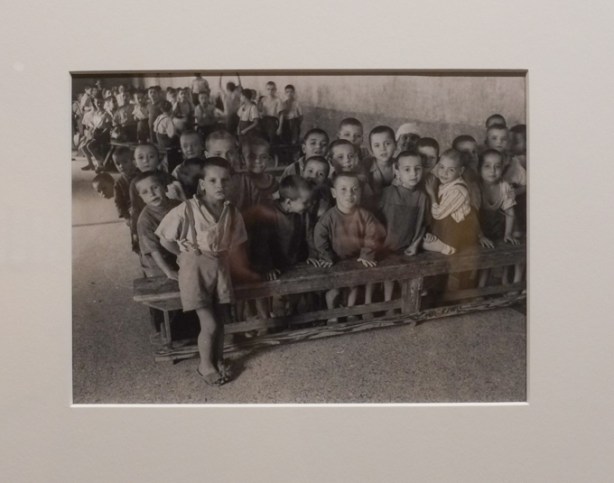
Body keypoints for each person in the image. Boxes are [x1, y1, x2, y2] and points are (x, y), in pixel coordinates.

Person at [156, 157, 250, 386]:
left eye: (225, 180)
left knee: (220, 320)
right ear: (202, 184)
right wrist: (181, 254)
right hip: (195, 269)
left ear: (232, 183)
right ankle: (204, 366)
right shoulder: (187, 209)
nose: (220, 185)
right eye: (213, 180)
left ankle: (218, 359)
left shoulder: (232, 212)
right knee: (209, 323)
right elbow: (163, 237)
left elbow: (236, 241)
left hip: (219, 267)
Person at [313, 173, 385, 320]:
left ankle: (350, 312)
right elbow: (319, 237)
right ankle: (332, 316)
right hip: (335, 259)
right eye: (343, 189)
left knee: (354, 286)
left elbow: (373, 234)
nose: (349, 194)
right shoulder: (328, 217)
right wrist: (326, 255)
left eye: (354, 189)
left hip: (356, 258)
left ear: (360, 192)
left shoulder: (365, 215)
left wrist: (366, 253)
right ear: (334, 193)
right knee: (335, 290)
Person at [243, 175, 312, 317]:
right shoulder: (268, 213)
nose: (308, 205)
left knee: (296, 295)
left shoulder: (299, 213)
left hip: (290, 261)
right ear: (288, 202)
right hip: (270, 264)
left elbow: (306, 236)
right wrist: (267, 267)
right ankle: (275, 321)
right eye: (305, 202)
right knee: (276, 297)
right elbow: (261, 243)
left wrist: (312, 255)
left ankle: (291, 315)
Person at [378, 150, 428, 304]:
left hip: (406, 247)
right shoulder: (386, 193)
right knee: (388, 275)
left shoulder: (422, 196)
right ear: (396, 171)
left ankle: (405, 305)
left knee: (408, 274)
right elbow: (374, 220)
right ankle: (387, 305)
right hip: (384, 247)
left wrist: (415, 244)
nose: (413, 173)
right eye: (407, 169)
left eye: (417, 168)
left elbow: (423, 223)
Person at [422, 149, 485, 255]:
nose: (444, 173)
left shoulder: (458, 191)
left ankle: (448, 247)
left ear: (460, 171)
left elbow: (438, 214)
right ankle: (437, 238)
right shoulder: (446, 184)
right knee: (422, 240)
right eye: (441, 167)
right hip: (444, 230)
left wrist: (432, 193)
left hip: (455, 234)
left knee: (421, 244)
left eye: (451, 170)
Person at [476, 149, 522, 286]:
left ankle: (505, 282)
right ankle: (480, 287)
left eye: (497, 166)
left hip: (498, 225)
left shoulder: (504, 186)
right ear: (479, 168)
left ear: (503, 168)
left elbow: (510, 213)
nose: (493, 171)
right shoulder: (476, 186)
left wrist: (507, 234)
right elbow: (471, 215)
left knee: (509, 247)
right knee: (484, 258)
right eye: (487, 166)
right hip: (478, 227)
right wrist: (480, 236)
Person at [134, 171, 181, 279]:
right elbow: (153, 250)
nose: (152, 194)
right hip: (158, 260)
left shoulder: (179, 206)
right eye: (145, 192)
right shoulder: (145, 220)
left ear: (165, 188)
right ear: (141, 197)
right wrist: (168, 272)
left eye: (155, 187)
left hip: (177, 251)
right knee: (164, 280)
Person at [229, 137, 278, 212]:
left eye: (263, 157)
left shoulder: (273, 183)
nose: (258, 161)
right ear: (243, 159)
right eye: (252, 157)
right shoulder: (241, 181)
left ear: (269, 158)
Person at [111, 146, 139, 252]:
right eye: (117, 163)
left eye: (125, 162)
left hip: (147, 207)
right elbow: (118, 202)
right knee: (136, 234)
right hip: (133, 212)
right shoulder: (119, 183)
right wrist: (126, 217)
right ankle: (139, 250)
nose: (121, 166)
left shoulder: (142, 174)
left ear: (133, 160)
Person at [366, 125, 397, 198]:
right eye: (377, 145)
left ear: (395, 145)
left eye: (387, 144)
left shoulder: (400, 164)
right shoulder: (366, 166)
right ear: (371, 151)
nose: (383, 148)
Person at [153, 100, 181, 172]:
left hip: (159, 140)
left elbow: (154, 128)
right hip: (167, 142)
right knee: (180, 139)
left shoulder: (159, 117)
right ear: (171, 109)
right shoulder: (168, 119)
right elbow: (171, 135)